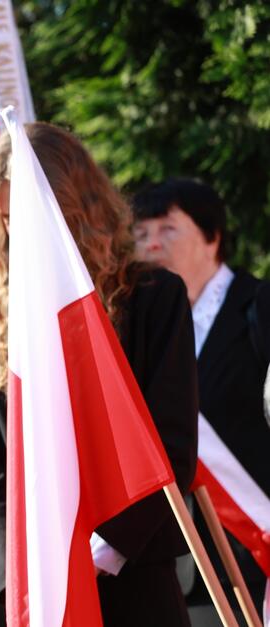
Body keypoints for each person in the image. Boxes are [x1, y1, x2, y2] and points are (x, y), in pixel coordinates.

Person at [0, 122, 198, 626]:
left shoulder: (154, 297)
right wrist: (19, 581)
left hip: (135, 571)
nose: (18, 234)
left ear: (78, 211)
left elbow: (171, 442)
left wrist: (102, 552)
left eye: (31, 217)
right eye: (7, 220)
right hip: (43, 588)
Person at [132, 178, 270, 623]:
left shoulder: (259, 306)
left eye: (167, 230)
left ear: (212, 237)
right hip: (181, 560)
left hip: (258, 552)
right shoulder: (136, 328)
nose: (150, 244)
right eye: (139, 234)